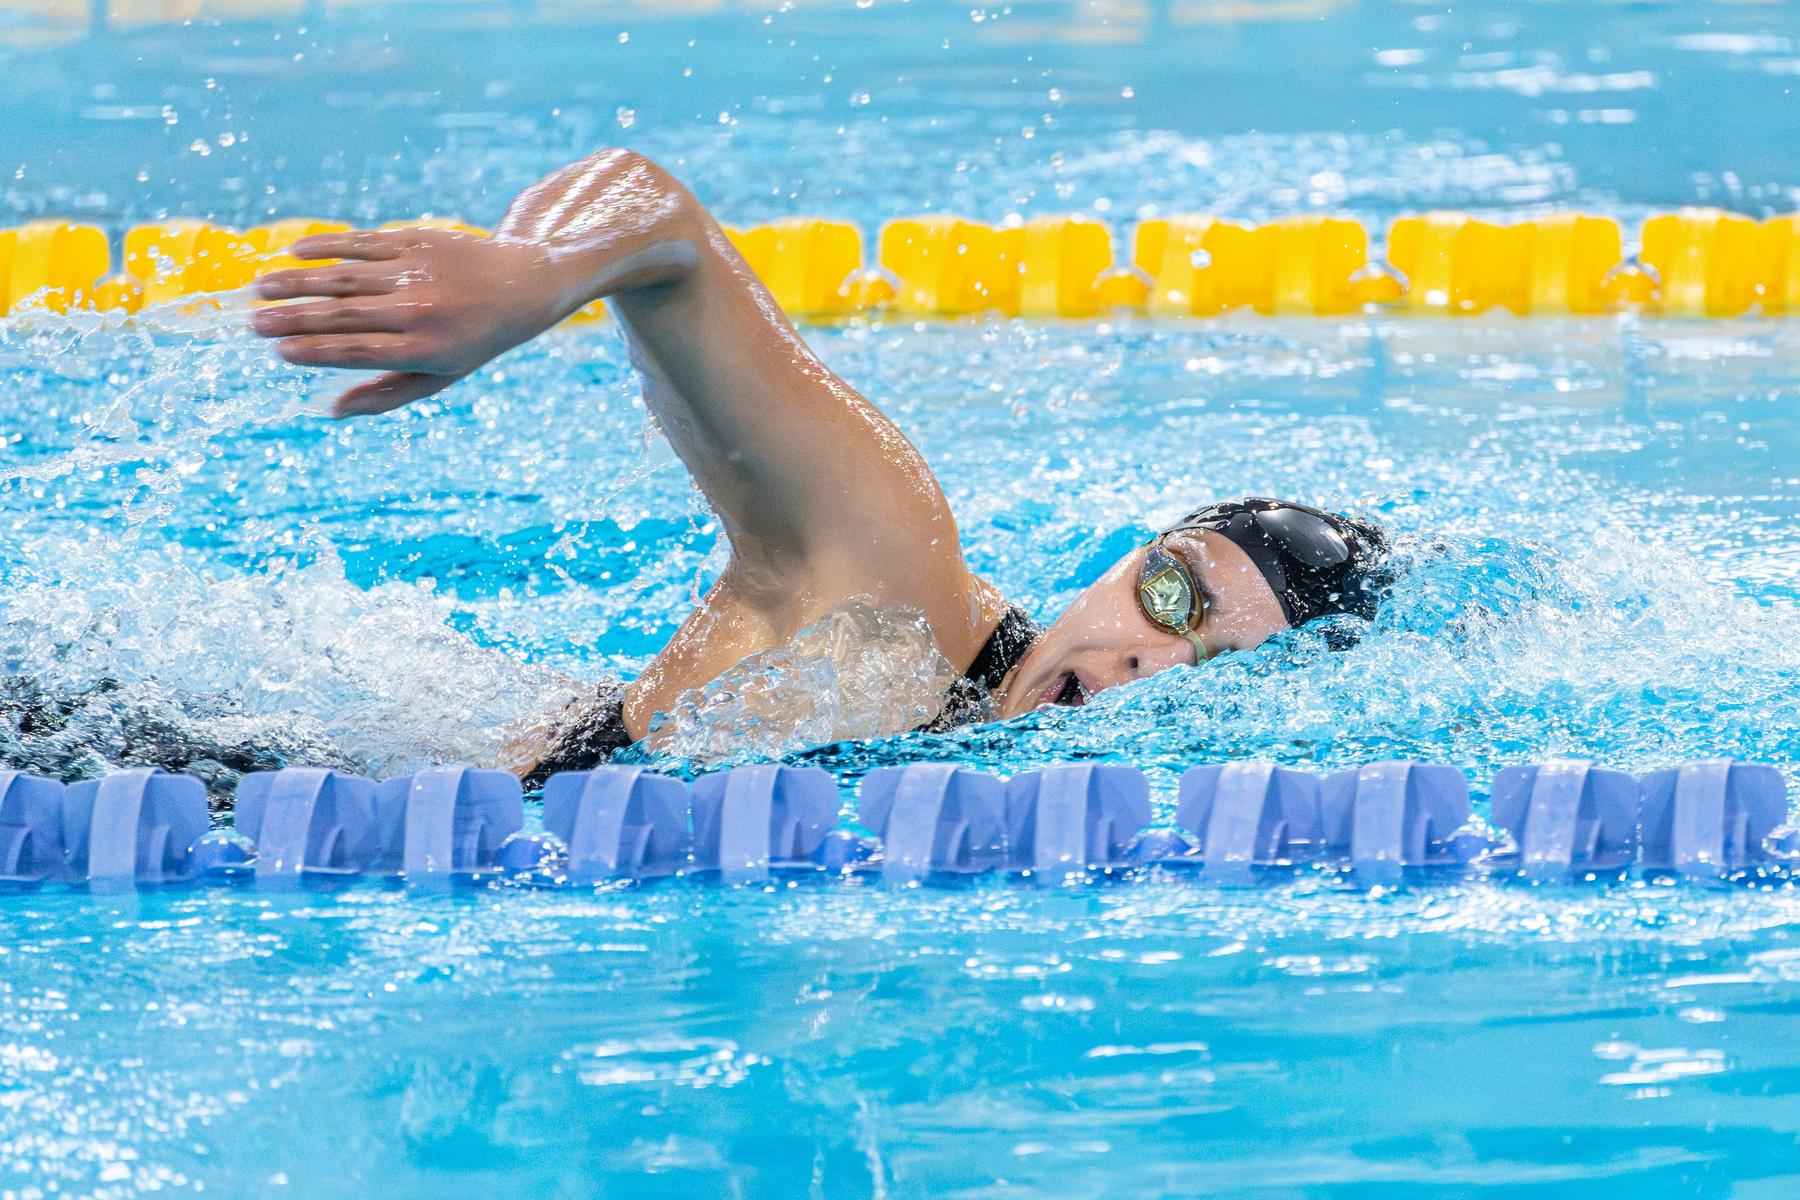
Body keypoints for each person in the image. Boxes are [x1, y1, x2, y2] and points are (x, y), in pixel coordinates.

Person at [249, 148, 1390, 784]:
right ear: (1123, 562)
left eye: (1214, 665)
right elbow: (664, 223)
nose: (1148, 659)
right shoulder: (894, 611)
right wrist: (528, 273)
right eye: (1172, 593)